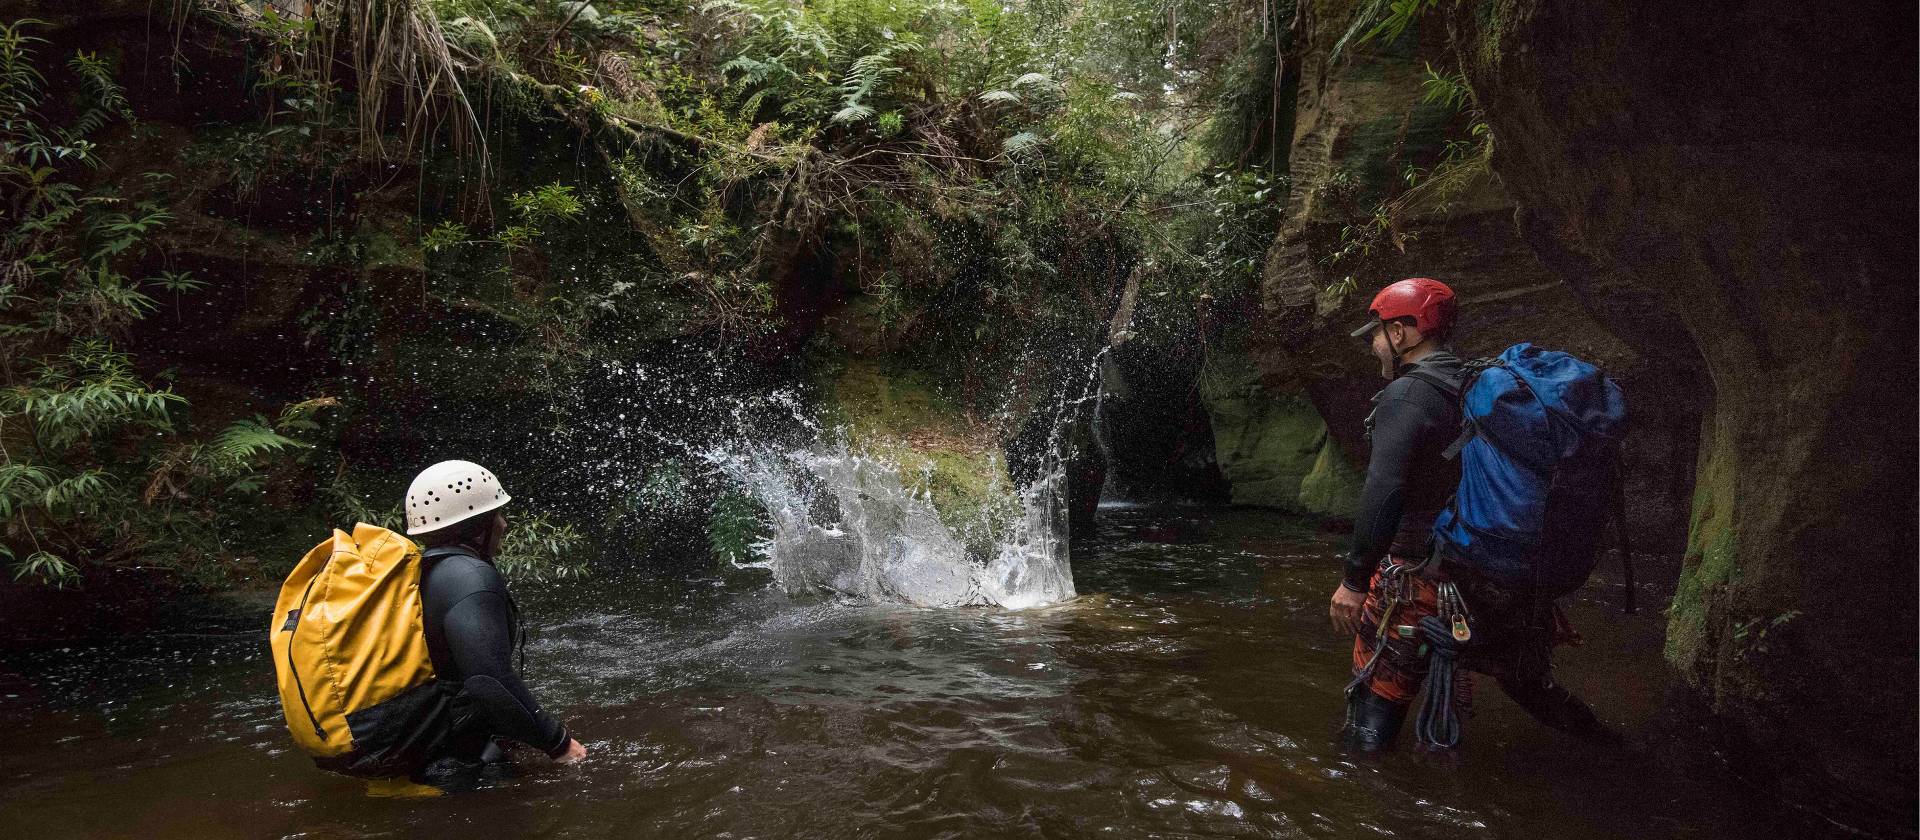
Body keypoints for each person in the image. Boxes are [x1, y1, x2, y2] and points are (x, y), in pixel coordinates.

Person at [1329, 278, 1617, 750]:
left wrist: (1355, 581)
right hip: (1506, 583)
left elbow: (1384, 490)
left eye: (1378, 334)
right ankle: (1614, 751)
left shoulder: (1406, 398)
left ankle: (1356, 793)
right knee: (1529, 687)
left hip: (1425, 579)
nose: (1375, 346)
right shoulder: (1475, 387)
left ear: (1402, 334)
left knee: (1372, 714)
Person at [404, 459, 587, 781]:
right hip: (453, 764)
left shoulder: (423, 573)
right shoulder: (471, 577)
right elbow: (489, 680)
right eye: (498, 515)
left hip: (416, 747)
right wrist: (558, 743)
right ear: (476, 526)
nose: (504, 524)